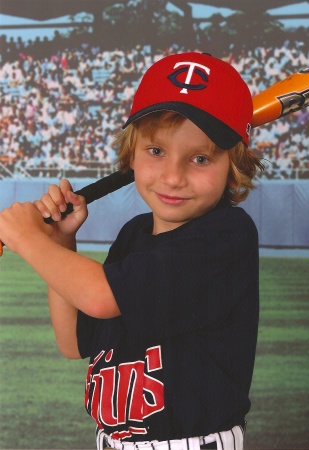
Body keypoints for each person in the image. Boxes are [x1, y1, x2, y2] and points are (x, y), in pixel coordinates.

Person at [0, 52, 263, 450]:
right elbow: (73, 344)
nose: (173, 177)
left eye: (200, 158)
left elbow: (101, 296)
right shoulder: (134, 235)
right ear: (131, 155)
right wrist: (59, 242)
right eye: (156, 151)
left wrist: (26, 238)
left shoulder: (225, 234)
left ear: (234, 167)